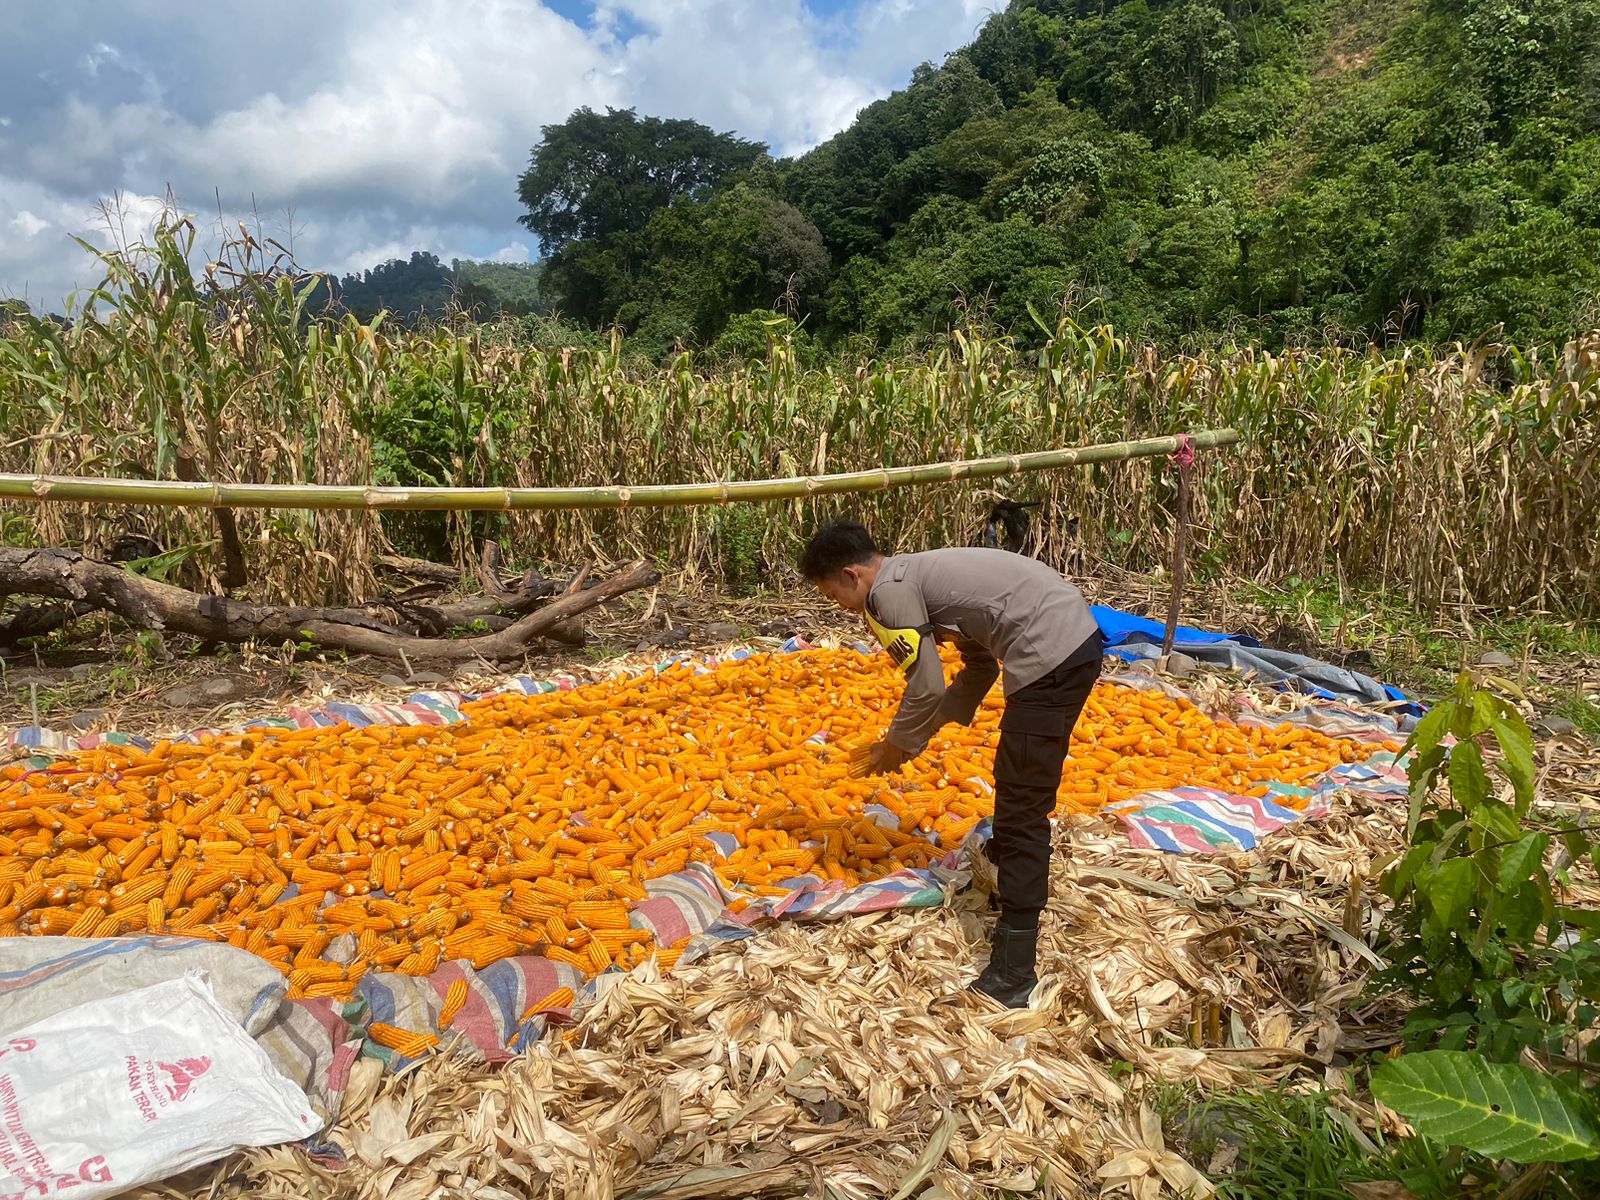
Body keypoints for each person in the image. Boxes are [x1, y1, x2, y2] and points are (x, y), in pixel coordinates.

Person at [798, 521, 1103, 1008]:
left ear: (853, 576)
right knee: (1021, 781)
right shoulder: (916, 576)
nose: (840, 607)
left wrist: (897, 744)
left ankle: (1014, 969)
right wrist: (926, 733)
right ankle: (1005, 872)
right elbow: (979, 666)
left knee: (1022, 802)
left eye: (834, 594)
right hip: (1077, 638)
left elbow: (927, 686)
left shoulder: (887, 598)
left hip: (1049, 652)